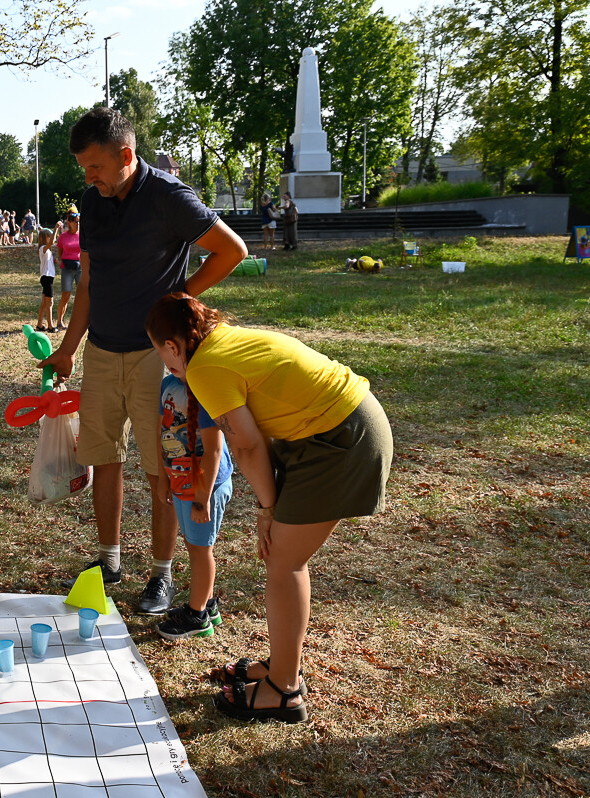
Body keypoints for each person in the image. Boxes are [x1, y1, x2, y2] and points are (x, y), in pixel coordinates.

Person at [38, 106, 246, 616]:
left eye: (95, 167)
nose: (88, 178)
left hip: (158, 358)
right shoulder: (92, 201)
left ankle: (161, 572)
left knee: (162, 471)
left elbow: (231, 250)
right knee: (103, 458)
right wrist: (68, 347)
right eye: (84, 168)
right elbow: (86, 282)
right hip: (103, 352)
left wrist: (177, 300)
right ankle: (108, 562)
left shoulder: (169, 197)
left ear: (126, 156)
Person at [146, 292, 392, 723]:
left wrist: (267, 507)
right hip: (335, 427)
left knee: (283, 560)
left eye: (165, 358)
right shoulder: (222, 340)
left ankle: (284, 690)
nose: (169, 368)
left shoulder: (202, 368)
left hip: (341, 438)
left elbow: (245, 444)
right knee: (282, 557)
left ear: (171, 345)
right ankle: (282, 668)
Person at [153, 360, 232, 641]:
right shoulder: (168, 385)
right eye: (164, 350)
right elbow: (162, 432)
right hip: (180, 480)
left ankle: (197, 616)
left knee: (201, 550)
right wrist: (164, 479)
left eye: (177, 352)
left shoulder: (207, 390)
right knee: (193, 544)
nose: (169, 359)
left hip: (205, 486)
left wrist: (202, 498)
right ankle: (206, 604)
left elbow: (213, 449)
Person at [53, 211, 81, 330]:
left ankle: (82, 322)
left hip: (80, 268)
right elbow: (60, 253)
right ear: (69, 222)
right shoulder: (63, 236)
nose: (78, 224)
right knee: (66, 295)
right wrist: (63, 261)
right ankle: (60, 322)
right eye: (76, 222)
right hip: (67, 269)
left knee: (82, 295)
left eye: (79, 222)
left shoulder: (82, 235)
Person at [36, 228, 56, 331]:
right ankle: (50, 326)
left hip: (49, 277)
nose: (51, 238)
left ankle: (39, 324)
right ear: (44, 238)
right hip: (46, 278)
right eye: (49, 236)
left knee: (44, 302)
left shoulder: (47, 250)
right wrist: (56, 228)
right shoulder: (43, 248)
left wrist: (54, 262)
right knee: (50, 302)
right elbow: (52, 242)